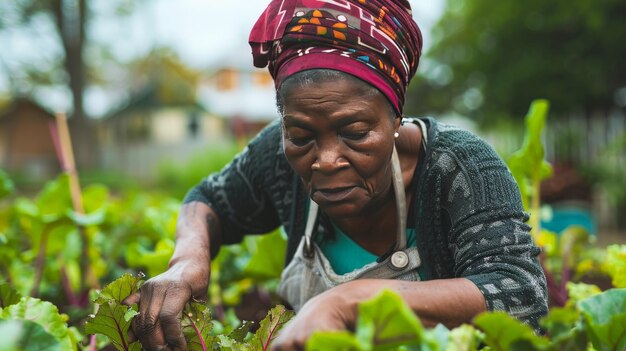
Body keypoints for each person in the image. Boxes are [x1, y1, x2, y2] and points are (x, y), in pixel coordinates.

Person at [126, 0, 548, 350]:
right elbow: (210, 200)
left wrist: (349, 302)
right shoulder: (275, 157)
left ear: (395, 116)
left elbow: (520, 294)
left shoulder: (459, 166)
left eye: (356, 132)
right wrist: (186, 262)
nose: (325, 160)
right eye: (301, 135)